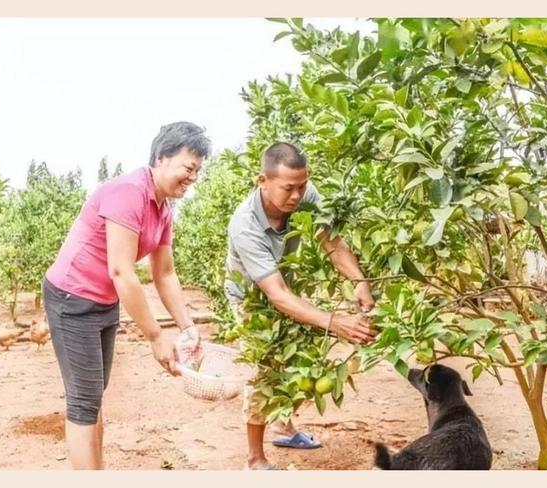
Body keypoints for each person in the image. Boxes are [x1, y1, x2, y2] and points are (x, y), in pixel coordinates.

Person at [43, 121, 211, 469]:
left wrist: (187, 326)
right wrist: (155, 336)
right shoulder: (128, 192)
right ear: (161, 158)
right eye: (188, 167)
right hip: (72, 298)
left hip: (104, 301)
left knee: (93, 396)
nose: (193, 177)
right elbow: (121, 271)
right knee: (83, 402)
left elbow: (164, 272)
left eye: (198, 170)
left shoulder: (164, 207)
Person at [224, 142, 377, 470]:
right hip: (253, 299)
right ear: (262, 180)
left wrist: (359, 281)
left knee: (299, 362)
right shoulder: (244, 226)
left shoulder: (306, 195)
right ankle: (255, 459)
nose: (297, 195)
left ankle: (285, 426)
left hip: (286, 287)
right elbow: (275, 296)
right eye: (288, 188)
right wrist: (336, 322)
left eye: (302, 186)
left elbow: (331, 241)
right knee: (265, 372)